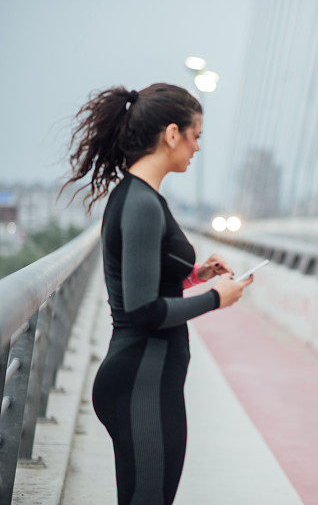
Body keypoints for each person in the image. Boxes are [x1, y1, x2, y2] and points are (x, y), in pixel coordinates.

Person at [62, 83, 252, 504]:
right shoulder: (142, 204)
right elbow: (144, 310)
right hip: (141, 382)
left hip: (142, 378)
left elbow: (144, 282)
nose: (197, 147)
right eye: (195, 136)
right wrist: (216, 298)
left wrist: (197, 275)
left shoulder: (137, 197)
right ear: (171, 134)